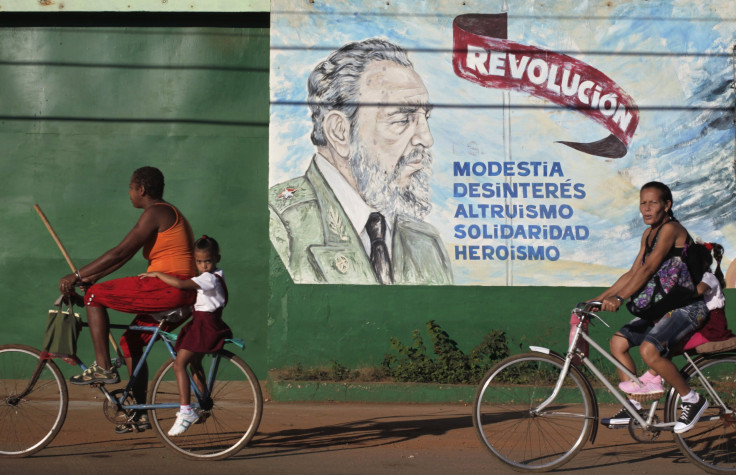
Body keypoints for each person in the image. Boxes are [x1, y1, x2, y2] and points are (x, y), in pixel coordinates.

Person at [269, 37, 453, 285]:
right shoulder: (278, 225)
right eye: (402, 119)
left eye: (425, 118)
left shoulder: (426, 242)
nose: (426, 139)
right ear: (339, 132)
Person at [59, 166, 197, 434]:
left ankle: (103, 367)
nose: (130, 193)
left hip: (168, 287)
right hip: (181, 294)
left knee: (95, 295)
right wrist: (90, 278)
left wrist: (76, 276)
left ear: (141, 189)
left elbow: (121, 251)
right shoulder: (166, 212)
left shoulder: (156, 212)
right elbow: (122, 258)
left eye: (131, 188)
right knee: (131, 342)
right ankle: (140, 413)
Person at [591, 181, 709, 433]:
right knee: (618, 343)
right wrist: (599, 300)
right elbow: (633, 271)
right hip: (665, 310)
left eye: (652, 202)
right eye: (642, 203)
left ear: (667, 205)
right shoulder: (648, 234)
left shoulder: (671, 229)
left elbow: (648, 269)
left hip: (688, 308)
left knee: (649, 350)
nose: (646, 208)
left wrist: (620, 299)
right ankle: (634, 405)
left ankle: (692, 399)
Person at [139, 235, 231, 436]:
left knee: (178, 364)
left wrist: (158, 274)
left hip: (204, 326)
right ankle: (202, 403)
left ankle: (186, 410)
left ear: (217, 258)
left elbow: (181, 285)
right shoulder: (217, 275)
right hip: (204, 323)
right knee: (193, 364)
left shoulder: (208, 278)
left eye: (207, 261)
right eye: (199, 262)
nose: (203, 265)